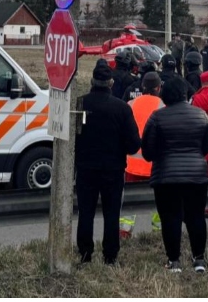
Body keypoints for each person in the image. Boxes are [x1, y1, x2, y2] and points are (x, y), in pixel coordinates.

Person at [142, 76, 208, 273]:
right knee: (196, 216)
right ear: (185, 94)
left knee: (170, 217)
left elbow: (147, 151)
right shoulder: (201, 115)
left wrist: (161, 156)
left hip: (166, 175)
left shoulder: (157, 117)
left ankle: (174, 260)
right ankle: (199, 259)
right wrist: (195, 155)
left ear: (164, 94)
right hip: (197, 174)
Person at [75, 61, 141, 265]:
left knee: (86, 212)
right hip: (113, 169)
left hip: (85, 168)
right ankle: (110, 256)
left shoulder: (79, 105)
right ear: (111, 83)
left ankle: (85, 253)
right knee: (112, 213)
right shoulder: (121, 108)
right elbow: (133, 144)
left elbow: (72, 139)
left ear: (91, 81)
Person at [127, 72, 164, 181]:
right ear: (158, 88)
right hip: (154, 167)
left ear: (142, 86)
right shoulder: (163, 106)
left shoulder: (130, 104)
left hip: (130, 165)